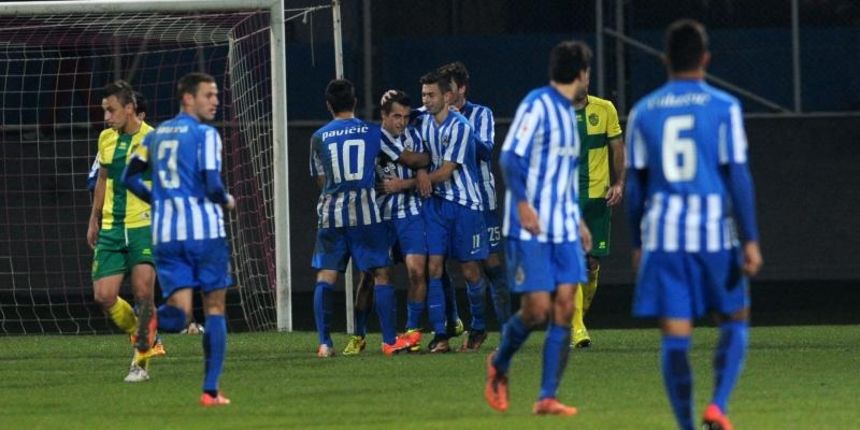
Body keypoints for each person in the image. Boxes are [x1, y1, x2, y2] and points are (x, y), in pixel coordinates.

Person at [624, 19, 762, 430]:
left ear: (665, 60)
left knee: (676, 337)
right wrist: (751, 239)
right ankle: (718, 405)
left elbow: (635, 188)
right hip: (715, 236)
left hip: (664, 239)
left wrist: (636, 244)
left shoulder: (643, 111)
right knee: (735, 321)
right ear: (705, 59)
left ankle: (685, 425)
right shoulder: (723, 107)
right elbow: (737, 175)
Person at [484, 40, 592, 416]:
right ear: (581, 74)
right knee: (536, 312)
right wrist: (525, 204)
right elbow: (511, 156)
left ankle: (547, 395)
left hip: (563, 228)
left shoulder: (569, 115)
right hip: (529, 226)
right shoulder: (537, 104)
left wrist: (577, 221)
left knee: (564, 306)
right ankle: (499, 364)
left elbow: (563, 178)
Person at [123, 72, 236, 406]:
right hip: (205, 234)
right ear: (188, 98)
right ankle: (210, 391)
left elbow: (129, 177)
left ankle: (153, 319)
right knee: (214, 307)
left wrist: (155, 199)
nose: (215, 101)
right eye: (208, 95)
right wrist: (227, 200)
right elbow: (213, 185)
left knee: (180, 312)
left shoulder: (155, 136)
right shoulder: (205, 134)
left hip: (166, 235)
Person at [309, 79, 413, 358]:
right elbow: (403, 159)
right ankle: (389, 341)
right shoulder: (371, 132)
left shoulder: (318, 137)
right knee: (381, 273)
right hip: (366, 215)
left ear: (329, 105)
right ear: (354, 103)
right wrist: (425, 166)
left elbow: (320, 179)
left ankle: (324, 343)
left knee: (326, 276)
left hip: (331, 217)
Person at [343, 90, 430, 355]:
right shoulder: (373, 137)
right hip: (378, 215)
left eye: (405, 116)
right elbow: (414, 159)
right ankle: (359, 335)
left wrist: (421, 169)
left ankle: (411, 333)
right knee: (369, 278)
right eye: (395, 116)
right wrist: (421, 166)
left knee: (417, 271)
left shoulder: (414, 134)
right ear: (383, 115)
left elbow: (424, 159)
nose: (401, 122)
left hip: (410, 212)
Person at [86, 81, 162, 383]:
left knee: (144, 294)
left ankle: (140, 362)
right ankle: (142, 334)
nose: (107, 117)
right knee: (104, 296)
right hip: (112, 228)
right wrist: (94, 218)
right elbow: (103, 179)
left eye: (111, 110)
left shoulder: (153, 139)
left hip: (144, 225)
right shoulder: (105, 139)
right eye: (105, 110)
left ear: (130, 109)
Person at [438, 61, 510, 351]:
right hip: (449, 202)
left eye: (449, 89)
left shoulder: (481, 114)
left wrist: (461, 123)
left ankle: (508, 332)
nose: (444, 95)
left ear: (461, 89)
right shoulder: (434, 118)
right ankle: (472, 327)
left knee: (492, 265)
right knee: (458, 267)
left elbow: (485, 151)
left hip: (481, 200)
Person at [416, 70, 488, 353]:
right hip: (435, 205)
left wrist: (414, 181)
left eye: (431, 95)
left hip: (465, 205)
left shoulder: (460, 126)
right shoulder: (422, 119)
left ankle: (479, 327)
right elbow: (406, 116)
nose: (426, 100)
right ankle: (441, 334)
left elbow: (446, 171)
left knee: (470, 270)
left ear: (447, 96)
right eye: (423, 95)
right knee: (433, 267)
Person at [570, 75, 625, 348]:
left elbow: (617, 148)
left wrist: (619, 182)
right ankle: (577, 328)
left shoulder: (605, 109)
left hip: (597, 198)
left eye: (586, 76)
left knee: (591, 263)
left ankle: (578, 316)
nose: (583, 81)